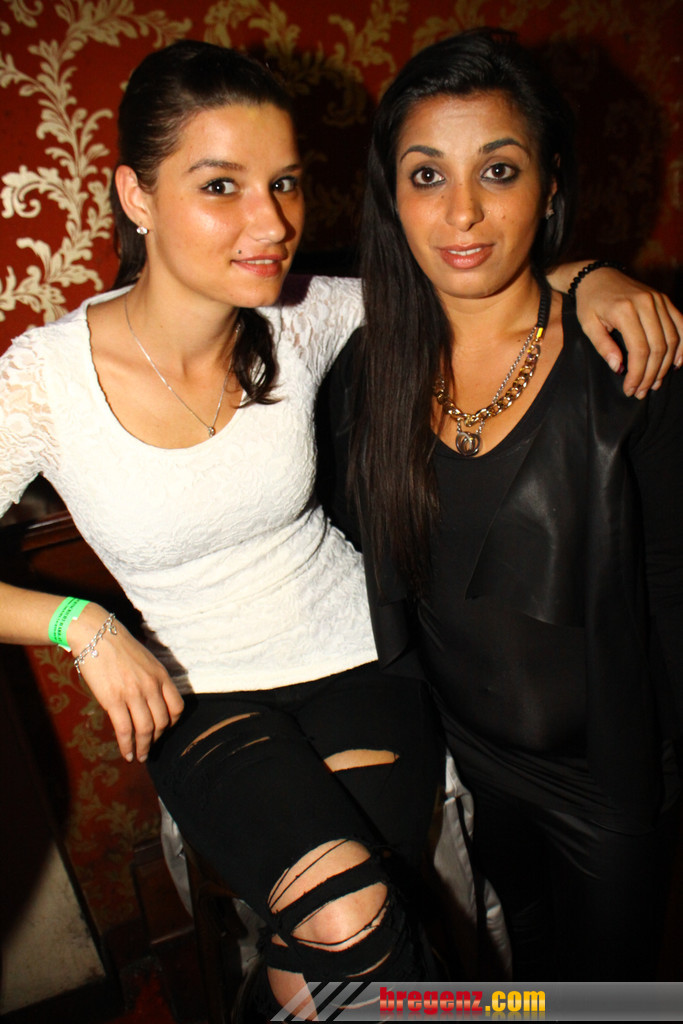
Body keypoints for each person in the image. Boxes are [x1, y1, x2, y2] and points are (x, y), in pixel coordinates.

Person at [0, 38, 678, 1010]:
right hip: (205, 691)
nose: (270, 222)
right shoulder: (44, 380)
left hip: (366, 670)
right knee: (342, 927)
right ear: (135, 195)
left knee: (383, 946)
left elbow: (463, 267)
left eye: (282, 184)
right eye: (221, 185)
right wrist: (81, 624)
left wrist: (589, 275)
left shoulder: (303, 316)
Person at [350, 27, 682, 981]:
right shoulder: (365, 375)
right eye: (426, 175)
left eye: (497, 170)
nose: (461, 211)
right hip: (466, 763)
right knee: (516, 977)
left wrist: (590, 275)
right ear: (392, 196)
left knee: (611, 996)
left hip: (610, 781)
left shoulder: (628, 365)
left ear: (549, 184)